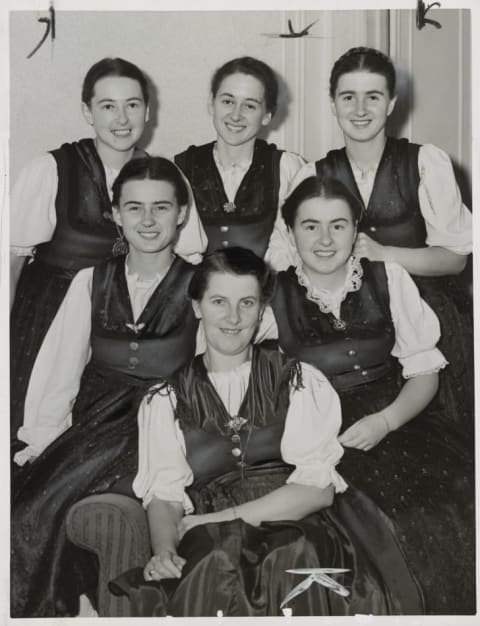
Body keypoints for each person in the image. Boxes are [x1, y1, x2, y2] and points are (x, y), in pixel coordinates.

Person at [109, 247, 427, 617]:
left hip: (293, 519)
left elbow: (316, 491)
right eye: (218, 301)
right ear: (197, 307)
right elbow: (164, 496)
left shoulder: (299, 381)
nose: (233, 317)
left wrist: (215, 520)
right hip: (208, 535)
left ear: (262, 311)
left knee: (291, 555)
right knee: (213, 561)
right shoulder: (164, 399)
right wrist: (164, 550)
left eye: (247, 303)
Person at [267, 176, 475, 614]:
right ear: (290, 231)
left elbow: (424, 373)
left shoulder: (388, 277)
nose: (325, 240)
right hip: (326, 435)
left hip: (402, 419)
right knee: (378, 524)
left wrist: (385, 421)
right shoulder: (273, 295)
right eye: (310, 226)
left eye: (338, 226)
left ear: (356, 230)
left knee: (459, 497)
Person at [11, 157, 201, 618]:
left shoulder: (202, 283)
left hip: (166, 422)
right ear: (116, 214)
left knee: (67, 495)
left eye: (161, 208)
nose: (148, 220)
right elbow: (60, 370)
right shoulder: (90, 281)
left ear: (181, 214)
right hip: (96, 421)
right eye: (134, 208)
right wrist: (41, 439)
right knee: (27, 507)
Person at [270, 46, 473, 439]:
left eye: (373, 97)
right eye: (348, 97)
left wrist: (384, 255)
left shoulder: (425, 162)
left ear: (392, 103)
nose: (360, 109)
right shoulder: (314, 174)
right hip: (351, 327)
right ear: (333, 104)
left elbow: (456, 261)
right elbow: (288, 259)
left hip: (429, 316)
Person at [10, 57, 206, 438]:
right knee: (35, 427)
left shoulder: (164, 176)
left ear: (147, 111)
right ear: (87, 111)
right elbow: (11, 264)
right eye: (107, 106)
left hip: (125, 330)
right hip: (45, 322)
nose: (121, 118)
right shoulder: (51, 168)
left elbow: (188, 262)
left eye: (132, 105)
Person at [174, 56, 304, 259]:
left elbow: (292, 252)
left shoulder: (286, 169)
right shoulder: (182, 168)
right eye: (228, 101)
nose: (236, 115)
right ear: (211, 103)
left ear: (267, 115)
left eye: (249, 106)